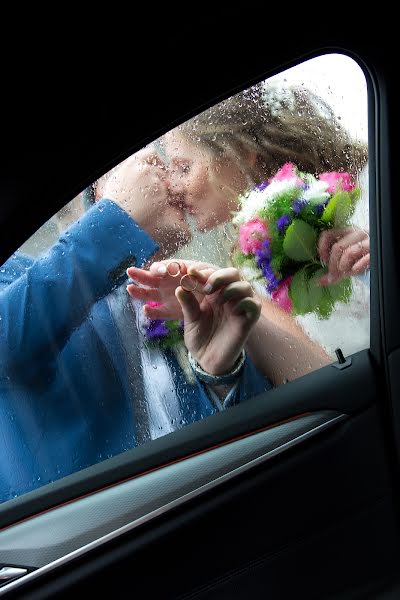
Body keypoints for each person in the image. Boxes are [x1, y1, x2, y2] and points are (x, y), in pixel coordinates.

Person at [0, 81, 367, 502]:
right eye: (156, 164)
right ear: (103, 188)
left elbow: (257, 428)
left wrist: (219, 373)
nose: (170, 183)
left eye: (176, 165)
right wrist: (116, 217)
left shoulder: (183, 296)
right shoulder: (24, 279)